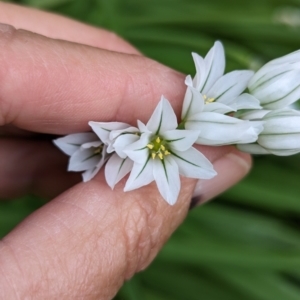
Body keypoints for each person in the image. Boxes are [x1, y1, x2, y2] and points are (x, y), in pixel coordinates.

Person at [0, 2, 251, 299]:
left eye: (159, 146)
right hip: (121, 141)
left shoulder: (160, 140)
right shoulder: (158, 136)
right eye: (158, 145)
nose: (159, 146)